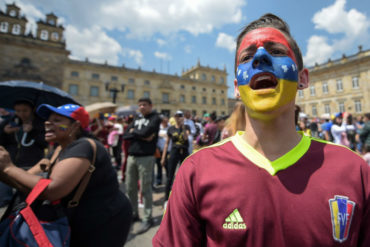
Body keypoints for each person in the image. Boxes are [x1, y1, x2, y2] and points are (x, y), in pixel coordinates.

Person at [153, 13, 370, 246]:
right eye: (247, 56)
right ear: (236, 87)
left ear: (302, 79)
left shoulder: (353, 169)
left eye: (277, 51)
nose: (260, 57)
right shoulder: (196, 171)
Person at [0, 103, 132, 247]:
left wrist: (8, 168)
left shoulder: (84, 146)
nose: (47, 123)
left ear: (75, 126)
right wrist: (5, 171)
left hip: (104, 221)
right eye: (48, 119)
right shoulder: (59, 148)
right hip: (77, 219)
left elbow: (53, 190)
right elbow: (25, 179)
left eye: (57, 120)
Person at [122, 97, 161, 234]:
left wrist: (135, 133)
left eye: (144, 105)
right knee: (130, 187)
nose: (142, 107)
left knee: (145, 188)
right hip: (132, 156)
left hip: (146, 156)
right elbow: (125, 135)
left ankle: (147, 217)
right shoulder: (136, 118)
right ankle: (134, 213)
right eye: (140, 105)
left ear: (151, 105)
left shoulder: (155, 118)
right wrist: (141, 136)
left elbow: (147, 132)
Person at [0, 99, 47, 207]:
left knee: (24, 197)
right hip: (11, 164)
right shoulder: (11, 121)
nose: (21, 114)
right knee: (4, 198)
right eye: (18, 110)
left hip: (32, 164)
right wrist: (4, 132)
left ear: (32, 110)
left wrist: (32, 132)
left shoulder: (40, 123)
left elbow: (44, 143)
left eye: (25, 110)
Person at [160, 110, 190, 206]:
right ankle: (166, 199)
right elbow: (167, 143)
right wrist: (163, 157)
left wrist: (183, 125)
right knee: (170, 176)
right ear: (174, 117)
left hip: (184, 152)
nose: (178, 117)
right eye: (176, 116)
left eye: (180, 115)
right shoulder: (171, 129)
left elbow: (186, 138)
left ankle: (183, 197)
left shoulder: (186, 127)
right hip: (174, 152)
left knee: (184, 176)